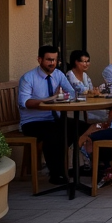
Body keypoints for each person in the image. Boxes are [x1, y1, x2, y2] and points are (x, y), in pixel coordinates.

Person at [18, 45, 86, 185]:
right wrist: (51, 98)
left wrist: (62, 96)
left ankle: (74, 168)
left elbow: (71, 93)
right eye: (49, 60)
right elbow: (26, 102)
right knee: (55, 134)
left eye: (55, 60)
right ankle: (57, 174)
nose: (52, 63)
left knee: (84, 127)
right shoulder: (28, 78)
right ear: (39, 59)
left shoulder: (58, 74)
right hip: (32, 122)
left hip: (54, 118)